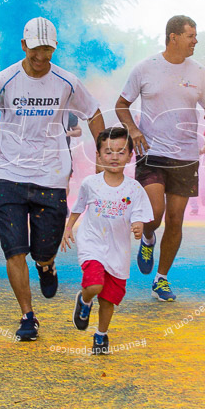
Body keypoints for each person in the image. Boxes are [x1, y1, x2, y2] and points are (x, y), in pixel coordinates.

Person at [0, 16, 104, 342]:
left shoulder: (67, 82)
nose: (41, 59)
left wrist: (100, 156)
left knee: (43, 248)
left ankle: (46, 264)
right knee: (13, 250)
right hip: (9, 173)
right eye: (35, 51)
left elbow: (93, 113)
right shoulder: (4, 80)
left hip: (51, 176)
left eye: (48, 52)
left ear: (55, 48)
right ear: (23, 46)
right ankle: (27, 315)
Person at [115, 15, 205, 301]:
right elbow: (121, 105)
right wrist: (134, 130)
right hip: (151, 152)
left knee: (175, 220)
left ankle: (161, 279)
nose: (195, 41)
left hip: (186, 157)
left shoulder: (200, 72)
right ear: (173, 37)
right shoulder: (145, 68)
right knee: (155, 214)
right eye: (191, 36)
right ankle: (148, 237)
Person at [62, 127, 153, 355]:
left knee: (108, 300)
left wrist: (139, 226)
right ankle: (84, 301)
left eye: (121, 152)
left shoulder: (134, 189)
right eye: (108, 152)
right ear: (99, 155)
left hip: (118, 250)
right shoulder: (91, 183)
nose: (114, 157)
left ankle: (101, 335)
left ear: (130, 156)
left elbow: (140, 214)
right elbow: (79, 207)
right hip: (92, 243)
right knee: (94, 285)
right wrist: (68, 228)